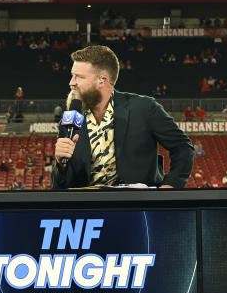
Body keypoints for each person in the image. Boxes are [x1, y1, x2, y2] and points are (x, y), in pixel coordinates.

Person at [52, 45, 193, 189]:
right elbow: (60, 185)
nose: (71, 82)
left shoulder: (143, 107)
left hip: (136, 204)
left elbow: (182, 147)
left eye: (79, 77)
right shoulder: (70, 120)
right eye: (72, 75)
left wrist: (170, 185)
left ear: (102, 80)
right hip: (89, 206)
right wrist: (61, 165)